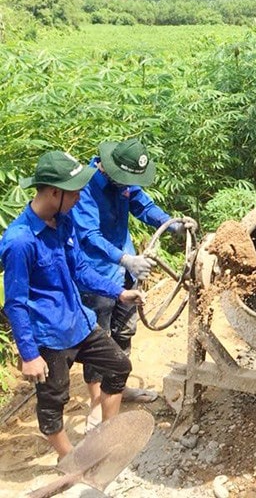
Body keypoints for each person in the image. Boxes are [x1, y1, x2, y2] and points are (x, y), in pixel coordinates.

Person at [0, 151, 145, 458]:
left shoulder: (63, 222)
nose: (80, 197)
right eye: (76, 191)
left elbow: (79, 269)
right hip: (49, 336)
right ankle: (69, 460)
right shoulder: (20, 241)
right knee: (54, 400)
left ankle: (106, 437)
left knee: (119, 365)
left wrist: (118, 292)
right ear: (55, 192)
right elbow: (15, 303)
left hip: (78, 322)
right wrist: (28, 354)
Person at [71, 138, 181, 426]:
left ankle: (118, 386)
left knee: (124, 331)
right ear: (109, 168)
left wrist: (168, 222)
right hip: (97, 274)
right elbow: (89, 237)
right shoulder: (85, 187)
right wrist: (124, 259)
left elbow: (143, 205)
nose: (128, 185)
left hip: (125, 270)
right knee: (99, 339)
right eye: (125, 181)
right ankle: (97, 403)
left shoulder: (124, 181)